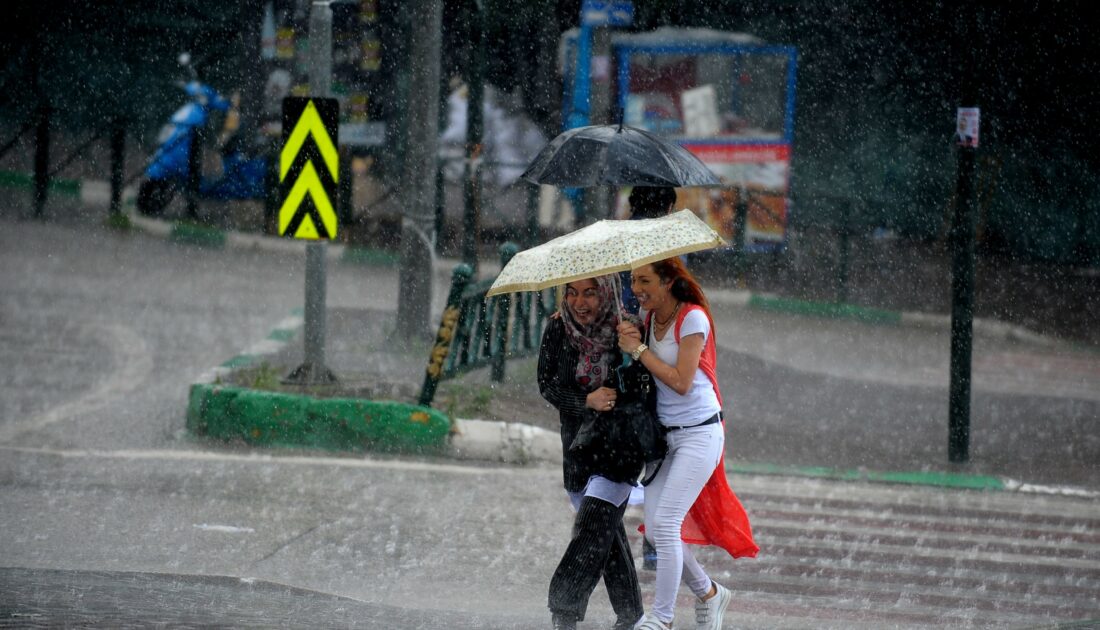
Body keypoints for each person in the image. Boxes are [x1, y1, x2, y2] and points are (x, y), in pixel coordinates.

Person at [616, 257, 759, 630]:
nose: (636, 289)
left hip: (700, 433)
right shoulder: (649, 320)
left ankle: (661, 619)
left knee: (665, 526)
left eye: (644, 280)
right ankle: (710, 593)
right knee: (656, 526)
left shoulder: (691, 317)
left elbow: (681, 381)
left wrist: (638, 350)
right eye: (632, 281)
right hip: (666, 439)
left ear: (667, 281)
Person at [537, 274, 646, 630]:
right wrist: (586, 400)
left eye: (590, 294)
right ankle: (630, 613)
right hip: (577, 448)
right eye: (572, 293)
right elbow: (547, 384)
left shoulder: (627, 331)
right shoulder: (557, 330)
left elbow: (645, 388)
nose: (580, 303)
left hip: (619, 448)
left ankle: (563, 609)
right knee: (605, 533)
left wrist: (633, 354)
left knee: (592, 527)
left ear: (608, 294)